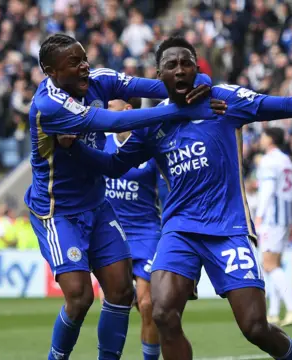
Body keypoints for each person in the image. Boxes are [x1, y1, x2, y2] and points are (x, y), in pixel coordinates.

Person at [58, 36, 292, 360]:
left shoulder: (223, 100)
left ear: (196, 67)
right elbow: (113, 164)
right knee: (162, 313)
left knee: (255, 328)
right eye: (171, 65)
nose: (180, 70)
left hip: (228, 227)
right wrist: (74, 148)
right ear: (158, 74)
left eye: (186, 63)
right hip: (180, 230)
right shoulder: (152, 124)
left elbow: (271, 105)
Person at [26, 33, 222, 360]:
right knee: (79, 297)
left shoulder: (101, 81)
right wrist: (177, 110)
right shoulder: (48, 105)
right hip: (57, 212)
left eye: (84, 57)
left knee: (121, 292)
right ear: (51, 71)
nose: (84, 66)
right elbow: (113, 121)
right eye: (73, 63)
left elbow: (159, 86)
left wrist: (198, 81)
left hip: (97, 206)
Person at [104, 98, 169, 360]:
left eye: (111, 106)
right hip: (111, 233)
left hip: (146, 232)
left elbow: (165, 192)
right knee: (113, 304)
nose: (105, 111)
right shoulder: (101, 142)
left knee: (148, 304)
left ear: (127, 109)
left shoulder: (149, 146)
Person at [255, 127, 292, 327]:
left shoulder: (268, 161)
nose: (261, 139)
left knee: (269, 264)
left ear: (271, 139)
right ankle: (273, 313)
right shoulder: (286, 161)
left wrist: (259, 215)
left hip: (272, 218)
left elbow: (267, 190)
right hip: (285, 217)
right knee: (273, 264)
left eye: (264, 136)